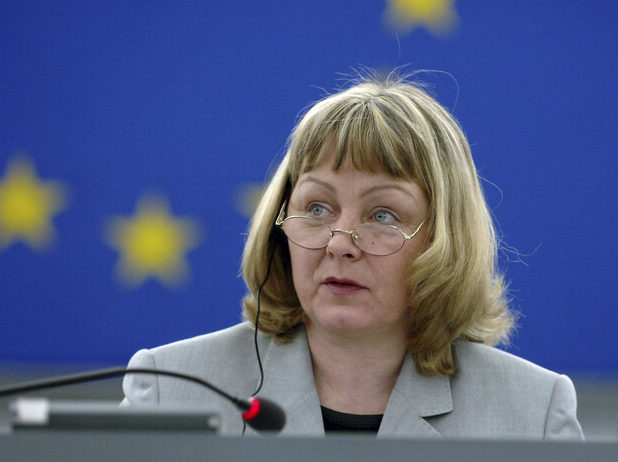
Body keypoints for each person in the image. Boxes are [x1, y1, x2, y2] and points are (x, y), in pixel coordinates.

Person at [122, 72, 584, 439]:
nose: (340, 242)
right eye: (317, 208)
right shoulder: (174, 388)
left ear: (443, 240)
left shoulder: (531, 412)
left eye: (383, 215)